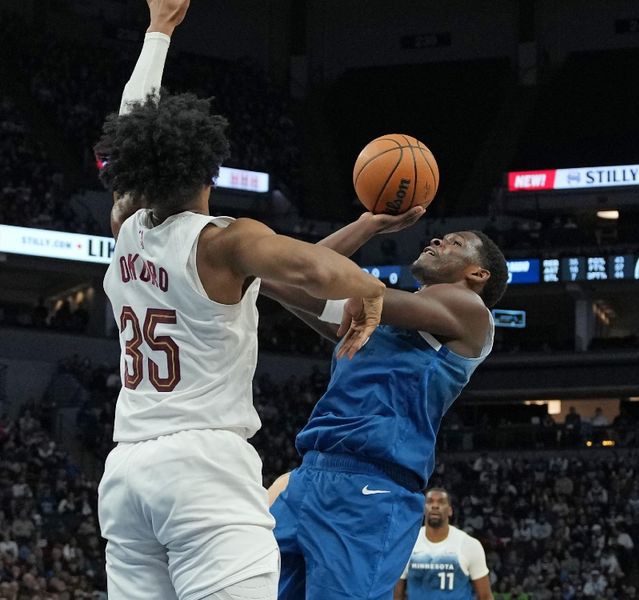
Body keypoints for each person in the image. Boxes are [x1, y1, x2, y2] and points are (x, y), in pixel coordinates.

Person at [95, 2, 386, 599]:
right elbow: (308, 267)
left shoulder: (126, 229)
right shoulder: (226, 241)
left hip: (126, 474)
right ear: (212, 170)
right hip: (201, 468)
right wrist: (372, 287)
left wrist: (158, 33)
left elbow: (128, 128)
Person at [259, 212, 508, 599]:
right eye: (441, 237)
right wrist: (368, 224)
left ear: (477, 274)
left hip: (371, 488)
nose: (438, 241)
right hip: (311, 475)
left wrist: (313, 275)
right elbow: (284, 274)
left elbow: (329, 281)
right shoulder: (377, 316)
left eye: (454, 243)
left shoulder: (470, 311)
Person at [394, 488, 493, 600]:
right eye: (430, 501)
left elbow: (485, 596)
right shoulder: (407, 544)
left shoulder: (469, 545)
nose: (435, 506)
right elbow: (396, 594)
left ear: (450, 510)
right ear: (423, 509)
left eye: (441, 502)